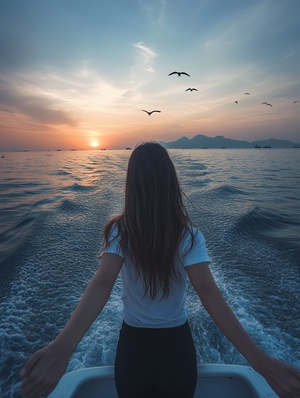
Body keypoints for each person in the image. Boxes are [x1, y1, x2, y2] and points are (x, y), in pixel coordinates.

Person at [20, 142, 300, 398]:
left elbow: (103, 283)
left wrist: (64, 347)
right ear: (170, 181)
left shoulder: (119, 230)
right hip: (177, 349)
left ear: (132, 184)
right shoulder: (188, 235)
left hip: (132, 348)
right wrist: (258, 360)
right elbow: (207, 291)